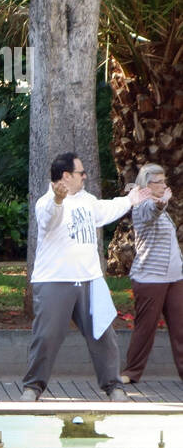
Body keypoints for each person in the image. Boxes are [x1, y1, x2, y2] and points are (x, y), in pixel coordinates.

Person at [21, 152, 149, 401]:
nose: (85, 176)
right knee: (46, 336)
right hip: (54, 281)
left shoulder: (87, 200)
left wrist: (130, 200)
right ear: (66, 176)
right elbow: (50, 219)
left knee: (103, 335)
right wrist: (58, 200)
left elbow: (104, 209)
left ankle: (114, 387)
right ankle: (33, 387)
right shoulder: (46, 202)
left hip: (90, 281)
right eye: (81, 172)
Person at [121, 164, 183, 382]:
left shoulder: (162, 209)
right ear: (147, 185)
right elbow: (151, 213)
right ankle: (131, 372)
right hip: (150, 278)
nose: (164, 185)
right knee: (145, 329)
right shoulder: (141, 206)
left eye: (164, 181)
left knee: (181, 328)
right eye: (160, 182)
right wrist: (161, 203)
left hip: (175, 279)